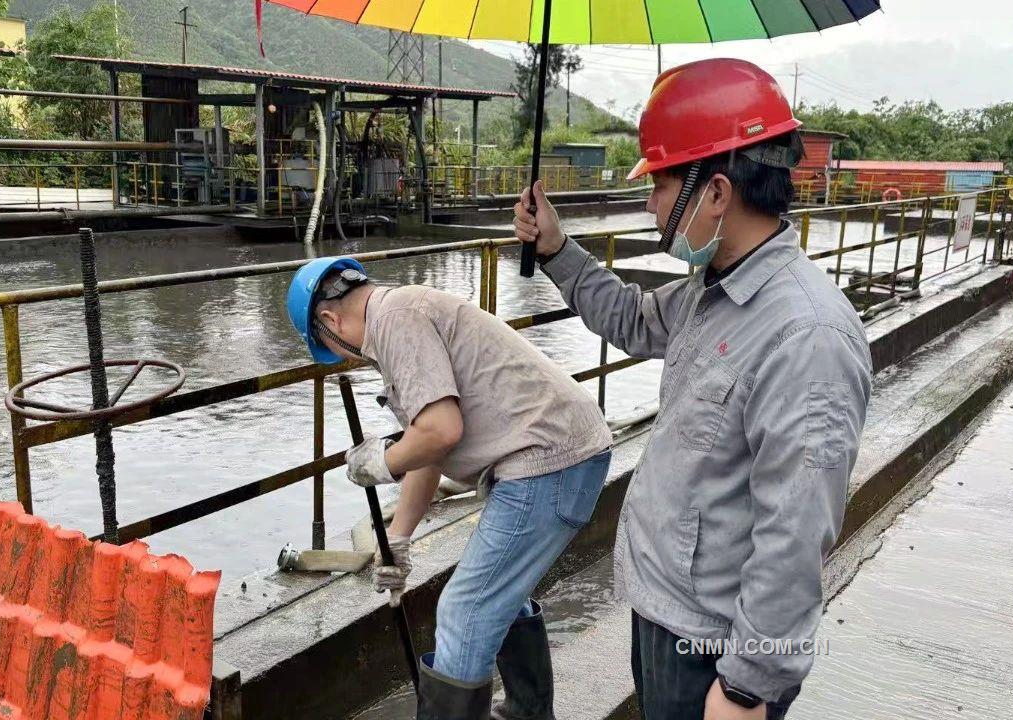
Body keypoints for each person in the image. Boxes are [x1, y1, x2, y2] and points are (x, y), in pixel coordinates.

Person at [513, 58, 872, 720]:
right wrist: (559, 250)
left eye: (658, 185)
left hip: (715, 652)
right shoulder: (708, 296)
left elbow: (795, 532)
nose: (649, 205)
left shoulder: (806, 335)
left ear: (715, 192)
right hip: (666, 616)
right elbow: (627, 316)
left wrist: (745, 687)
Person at [285, 258, 613, 719]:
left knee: (466, 610)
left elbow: (439, 432)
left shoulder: (395, 321)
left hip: (548, 462)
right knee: (502, 595)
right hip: (564, 454)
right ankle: (527, 714)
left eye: (330, 346)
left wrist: (379, 463)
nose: (344, 354)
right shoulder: (404, 312)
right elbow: (430, 450)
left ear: (329, 321)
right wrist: (398, 538)